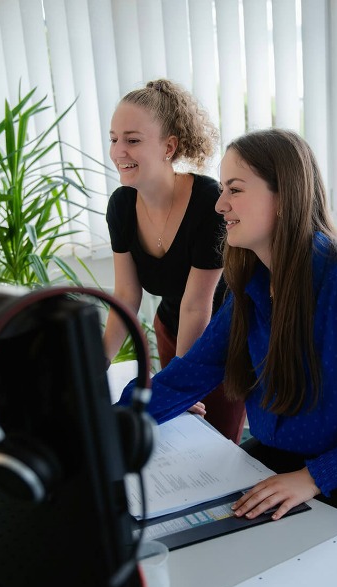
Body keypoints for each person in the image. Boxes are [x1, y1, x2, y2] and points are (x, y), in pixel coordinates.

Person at [117, 128, 337, 533]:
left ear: (283, 197)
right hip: (282, 457)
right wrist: (108, 425)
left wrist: (314, 477)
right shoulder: (253, 283)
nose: (219, 205)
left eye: (235, 189)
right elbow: (186, 377)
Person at [104, 78, 246, 443]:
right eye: (114, 138)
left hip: (221, 337)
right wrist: (96, 366)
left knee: (217, 442)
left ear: (169, 147)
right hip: (172, 327)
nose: (119, 150)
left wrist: (181, 385)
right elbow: (125, 295)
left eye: (132, 140)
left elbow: (198, 305)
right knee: (179, 436)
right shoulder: (121, 206)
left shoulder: (208, 202)